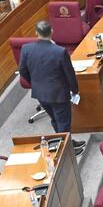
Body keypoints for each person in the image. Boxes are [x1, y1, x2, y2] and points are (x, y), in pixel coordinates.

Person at [18, 21, 85, 155]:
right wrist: (75, 90)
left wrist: (34, 83)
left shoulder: (26, 48)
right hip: (58, 94)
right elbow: (69, 74)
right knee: (63, 123)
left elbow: (22, 70)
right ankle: (67, 152)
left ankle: (67, 142)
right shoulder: (60, 52)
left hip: (40, 94)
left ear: (36, 33)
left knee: (55, 120)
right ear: (52, 32)